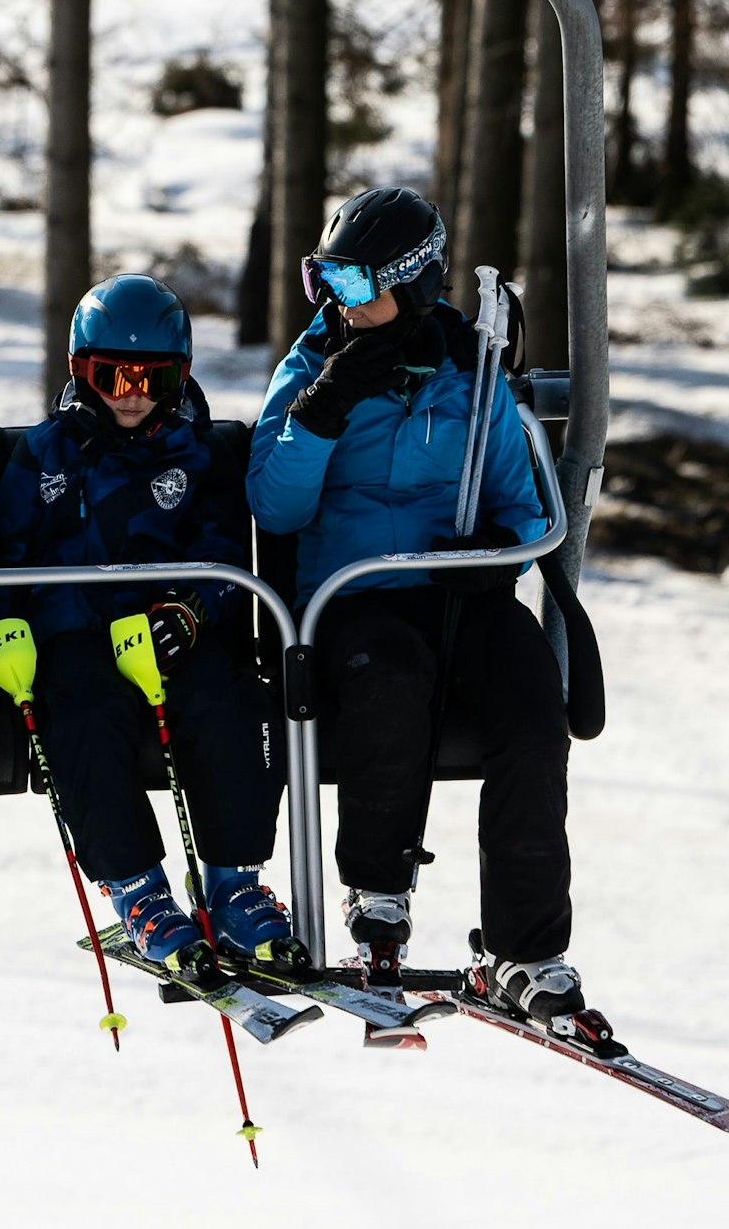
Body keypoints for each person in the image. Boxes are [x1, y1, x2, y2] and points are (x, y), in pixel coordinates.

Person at [246, 186, 582, 1022]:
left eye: (356, 285)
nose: (338, 303)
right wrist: (321, 412)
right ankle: (378, 893)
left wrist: (493, 552)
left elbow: (526, 506)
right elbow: (275, 509)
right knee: (391, 678)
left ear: (417, 283)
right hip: (352, 597)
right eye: (324, 280)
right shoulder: (311, 368)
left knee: (533, 713)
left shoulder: (473, 373)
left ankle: (526, 950)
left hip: (457, 592)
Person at [0, 274, 289, 970]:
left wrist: (190, 608)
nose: (131, 394)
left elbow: (221, 549)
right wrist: (5, 629)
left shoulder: (200, 452)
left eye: (153, 378)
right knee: (84, 717)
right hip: (76, 633)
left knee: (232, 703)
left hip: (168, 633)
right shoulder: (44, 454)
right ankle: (138, 889)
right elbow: (6, 559)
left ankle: (234, 883)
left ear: (181, 374)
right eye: (112, 376)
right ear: (79, 370)